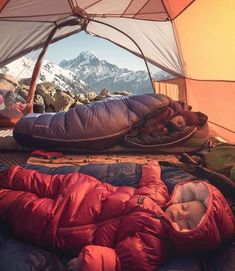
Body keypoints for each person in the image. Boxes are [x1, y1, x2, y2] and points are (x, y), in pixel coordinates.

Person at [0, 162, 234, 271]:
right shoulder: (159, 197)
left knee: (19, 205)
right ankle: (7, 174)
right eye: (185, 208)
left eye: (188, 223)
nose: (180, 215)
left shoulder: (153, 248)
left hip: (62, 223)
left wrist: (89, 261)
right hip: (80, 188)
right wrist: (152, 168)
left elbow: (120, 261)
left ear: (190, 238)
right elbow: (154, 182)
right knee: (30, 178)